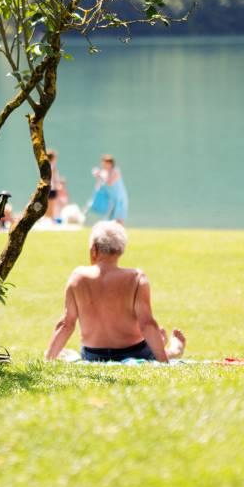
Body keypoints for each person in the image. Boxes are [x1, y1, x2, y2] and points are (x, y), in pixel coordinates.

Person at [45, 221, 179, 362]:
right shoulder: (136, 278)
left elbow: (66, 324)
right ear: (120, 250)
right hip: (136, 352)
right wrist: (164, 362)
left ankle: (166, 348)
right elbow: (147, 324)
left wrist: (48, 358)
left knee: (68, 353)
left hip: (93, 355)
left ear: (94, 249)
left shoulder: (78, 277)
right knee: (151, 352)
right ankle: (169, 350)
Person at [87, 154, 128, 223]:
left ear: (110, 164)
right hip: (111, 199)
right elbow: (99, 186)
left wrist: (100, 175)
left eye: (104, 164)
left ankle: (120, 233)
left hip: (119, 199)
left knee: (119, 218)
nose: (103, 165)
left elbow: (110, 182)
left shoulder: (115, 171)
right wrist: (97, 175)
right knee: (111, 220)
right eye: (102, 163)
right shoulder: (104, 172)